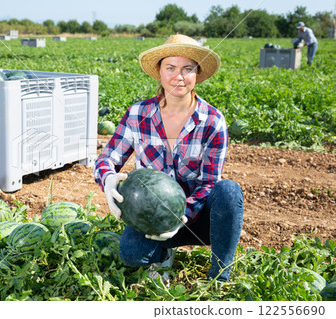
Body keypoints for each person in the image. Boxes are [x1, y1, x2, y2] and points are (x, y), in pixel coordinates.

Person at [94, 34, 244, 284]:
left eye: (188, 69)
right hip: (152, 219)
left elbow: (208, 183)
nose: (179, 76)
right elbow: (108, 158)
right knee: (131, 254)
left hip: (196, 219)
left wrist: (181, 214)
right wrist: (108, 180)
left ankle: (220, 276)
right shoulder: (138, 114)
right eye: (171, 68)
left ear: (196, 75)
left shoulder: (212, 121)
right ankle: (163, 253)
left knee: (228, 191)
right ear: (159, 72)